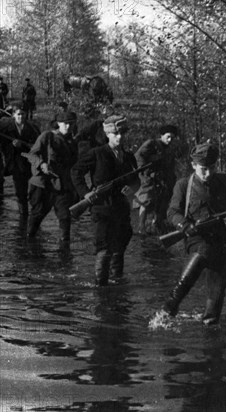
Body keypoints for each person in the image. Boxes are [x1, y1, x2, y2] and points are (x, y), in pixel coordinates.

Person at [161, 142, 226, 325]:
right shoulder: (183, 185)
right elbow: (172, 213)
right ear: (193, 165)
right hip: (197, 237)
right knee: (200, 256)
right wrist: (184, 225)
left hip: (222, 239)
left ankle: (210, 328)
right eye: (203, 169)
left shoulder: (224, 180)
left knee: (217, 289)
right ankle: (169, 307)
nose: (208, 173)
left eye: (212, 168)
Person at [71, 115, 138, 286]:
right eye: (115, 134)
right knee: (103, 246)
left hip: (121, 207)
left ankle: (117, 283)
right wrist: (85, 193)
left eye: (122, 133)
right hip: (101, 207)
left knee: (121, 243)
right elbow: (76, 172)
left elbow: (136, 180)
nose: (119, 137)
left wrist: (133, 189)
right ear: (108, 135)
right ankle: (101, 287)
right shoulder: (97, 153)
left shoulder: (129, 157)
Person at [25, 111, 78, 242]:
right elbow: (31, 155)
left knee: (65, 217)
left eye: (71, 124)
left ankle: (64, 250)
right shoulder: (47, 136)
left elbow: (73, 166)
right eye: (65, 123)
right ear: (59, 124)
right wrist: (42, 164)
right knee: (37, 215)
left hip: (62, 186)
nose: (68, 126)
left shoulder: (73, 142)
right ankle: (29, 244)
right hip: (44, 184)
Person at [134, 124, 178, 234]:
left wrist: (171, 178)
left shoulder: (169, 149)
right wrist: (146, 171)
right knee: (146, 199)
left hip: (162, 178)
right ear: (162, 135)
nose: (170, 140)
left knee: (162, 200)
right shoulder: (151, 143)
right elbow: (139, 156)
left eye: (172, 138)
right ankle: (141, 226)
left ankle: (157, 224)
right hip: (148, 177)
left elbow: (170, 165)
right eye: (168, 136)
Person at [0, 104, 40, 218]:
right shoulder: (5, 127)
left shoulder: (32, 128)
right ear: (13, 115)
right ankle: (24, 217)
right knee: (20, 193)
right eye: (18, 114)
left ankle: (35, 214)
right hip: (15, 164)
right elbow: (3, 145)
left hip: (31, 163)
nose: (21, 117)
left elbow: (38, 145)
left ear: (26, 114)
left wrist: (22, 145)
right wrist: (13, 146)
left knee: (35, 191)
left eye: (23, 114)